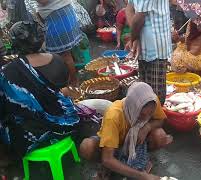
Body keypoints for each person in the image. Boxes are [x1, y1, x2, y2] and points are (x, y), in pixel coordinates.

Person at [0, 21, 79, 159]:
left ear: (15, 43)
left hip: (36, 135)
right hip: (67, 122)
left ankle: (7, 159)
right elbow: (63, 93)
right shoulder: (57, 59)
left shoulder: (9, 72)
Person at [79, 82, 173, 179]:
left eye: (150, 114)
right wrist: (142, 176)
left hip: (137, 141)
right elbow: (107, 158)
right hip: (113, 146)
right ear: (132, 107)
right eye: (142, 115)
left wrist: (147, 127)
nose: (146, 119)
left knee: (160, 135)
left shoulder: (151, 101)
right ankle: (109, 169)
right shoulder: (113, 115)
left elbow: (160, 120)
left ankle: (141, 161)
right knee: (87, 147)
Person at [126, 0, 172, 105]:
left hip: (155, 46)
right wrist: (135, 38)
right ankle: (150, 119)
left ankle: (151, 118)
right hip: (150, 46)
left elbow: (136, 15)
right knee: (152, 96)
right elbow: (131, 10)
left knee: (151, 95)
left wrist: (134, 38)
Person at [36, 0, 82, 85]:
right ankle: (72, 81)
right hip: (61, 12)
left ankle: (74, 83)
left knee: (64, 55)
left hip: (58, 15)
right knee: (66, 53)